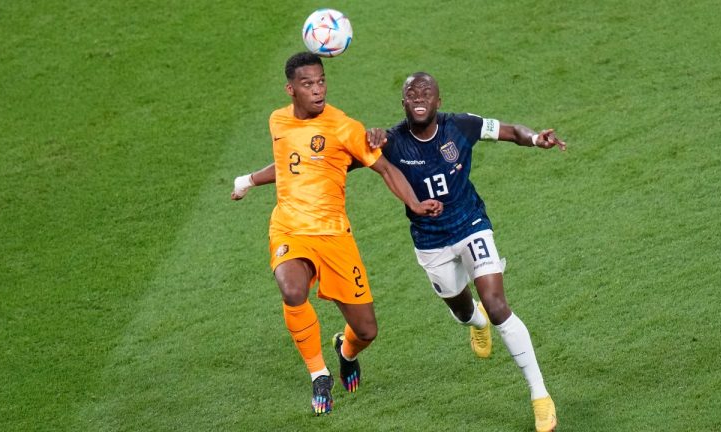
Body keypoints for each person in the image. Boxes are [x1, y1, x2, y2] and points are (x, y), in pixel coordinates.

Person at [230, 53, 443, 416]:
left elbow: (386, 169)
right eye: (308, 84)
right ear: (291, 89)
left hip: (334, 236)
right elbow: (287, 165)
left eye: (322, 82)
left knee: (367, 330)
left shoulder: (343, 127)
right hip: (290, 228)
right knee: (292, 289)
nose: (318, 90)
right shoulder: (277, 120)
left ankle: (344, 351)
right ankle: (319, 374)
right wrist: (249, 180)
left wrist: (417, 202)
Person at [366, 72, 565, 432]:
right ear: (404, 103)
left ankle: (540, 395)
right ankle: (475, 323)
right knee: (462, 308)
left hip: (470, 223)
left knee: (497, 303)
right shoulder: (391, 142)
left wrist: (536, 138)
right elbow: (343, 156)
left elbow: (509, 131)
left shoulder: (460, 126)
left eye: (427, 91)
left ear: (439, 101)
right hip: (430, 241)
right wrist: (364, 137)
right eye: (411, 92)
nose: (419, 95)